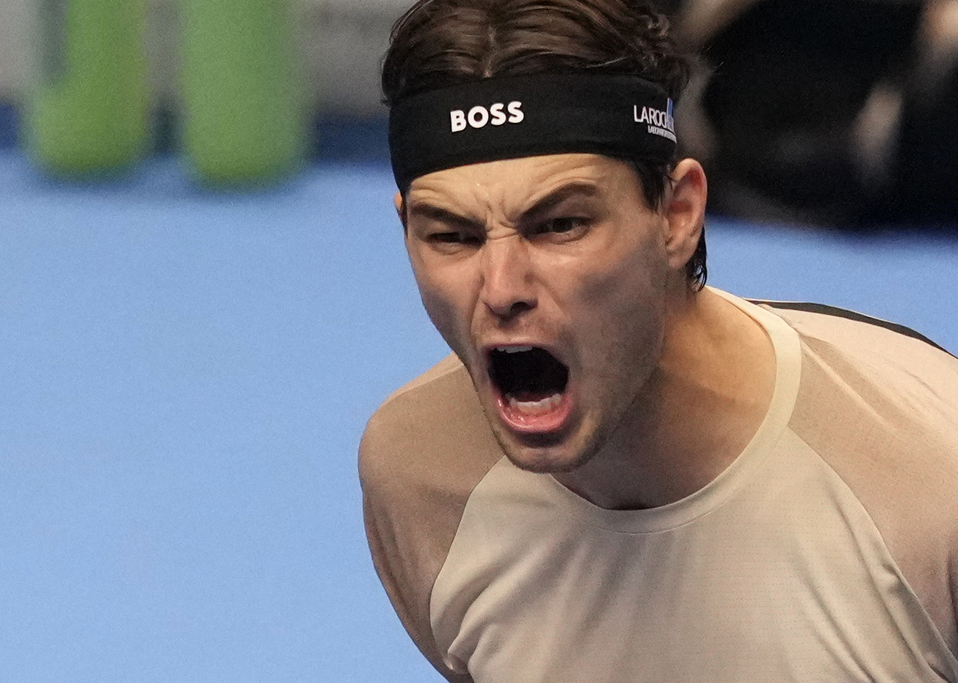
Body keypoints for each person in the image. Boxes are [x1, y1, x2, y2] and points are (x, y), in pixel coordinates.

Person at [358, 0, 958, 680]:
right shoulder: (418, 474)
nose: (500, 288)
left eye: (560, 225)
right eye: (452, 236)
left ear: (677, 214)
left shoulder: (930, 475)